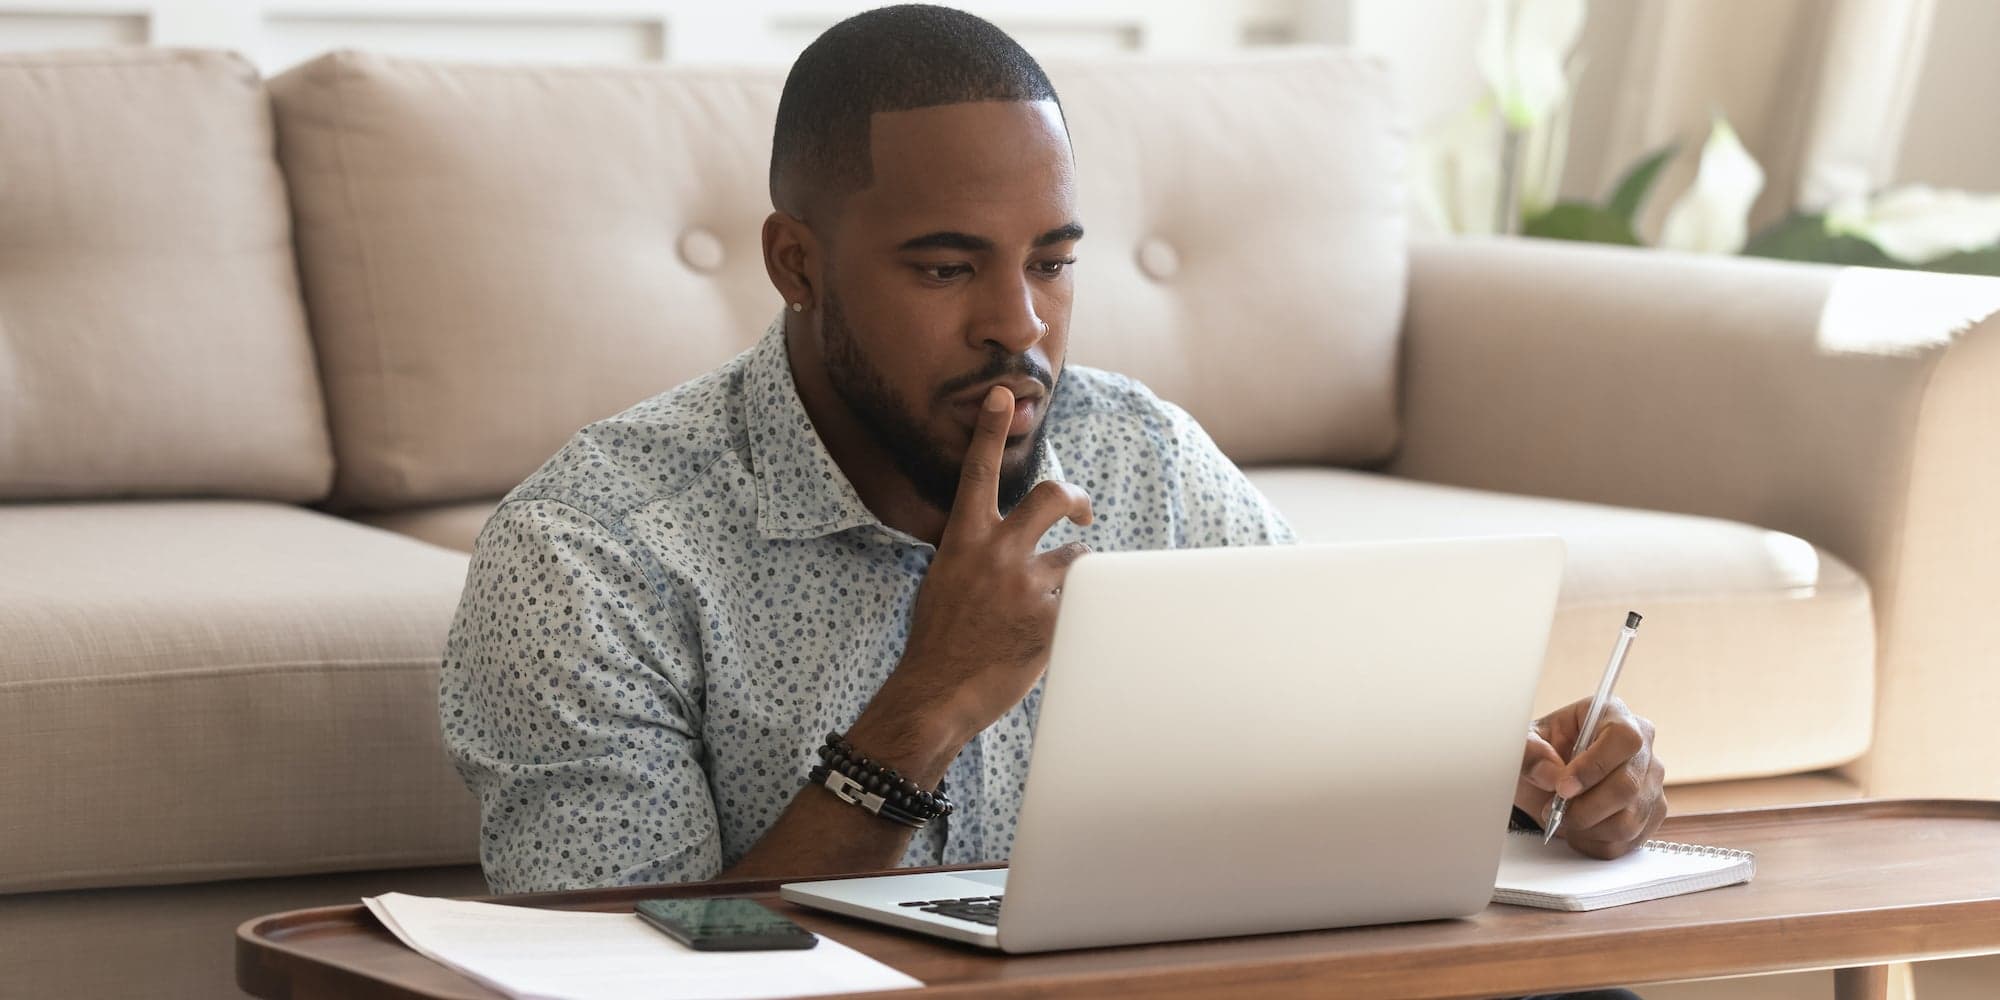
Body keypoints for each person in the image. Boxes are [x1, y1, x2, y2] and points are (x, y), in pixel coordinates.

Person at [440, 4, 1666, 918]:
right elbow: (630, 968)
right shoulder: (591, 556)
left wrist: (1522, 789)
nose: (1017, 325)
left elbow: (1328, 756)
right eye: (943, 266)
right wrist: (926, 704)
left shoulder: (1148, 466)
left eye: (1052, 260)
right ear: (795, 264)